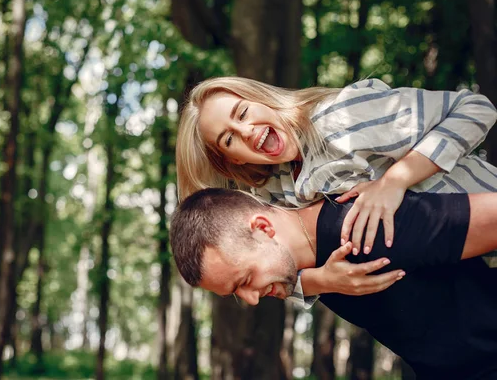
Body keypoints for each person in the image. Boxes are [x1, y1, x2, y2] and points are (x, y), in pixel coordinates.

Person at [176, 76, 497, 306]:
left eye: (243, 113)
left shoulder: (340, 120)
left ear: (262, 99)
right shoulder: (278, 192)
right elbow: (267, 274)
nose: (246, 131)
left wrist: (395, 180)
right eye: (229, 139)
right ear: (233, 158)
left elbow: (476, 109)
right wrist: (322, 280)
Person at [170, 188, 497, 379]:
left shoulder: (363, 226)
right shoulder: (313, 266)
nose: (251, 299)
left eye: (245, 280)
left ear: (263, 228)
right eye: (237, 292)